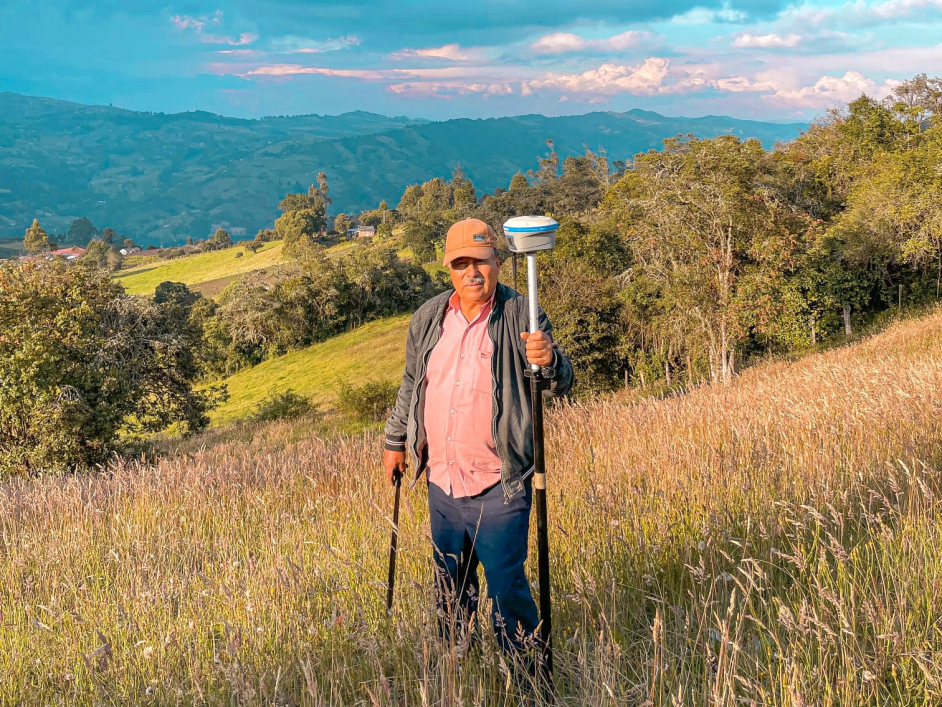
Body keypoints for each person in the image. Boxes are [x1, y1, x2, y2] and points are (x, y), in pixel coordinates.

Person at [383, 217, 574, 659]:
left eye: (481, 261)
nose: (472, 272)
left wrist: (549, 361)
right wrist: (396, 442)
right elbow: (413, 383)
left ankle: (527, 679)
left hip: (498, 485)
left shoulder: (521, 314)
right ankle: (456, 670)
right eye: (461, 263)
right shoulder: (429, 318)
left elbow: (558, 380)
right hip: (442, 483)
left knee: (507, 590)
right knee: (450, 588)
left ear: (498, 262)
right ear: (448, 268)